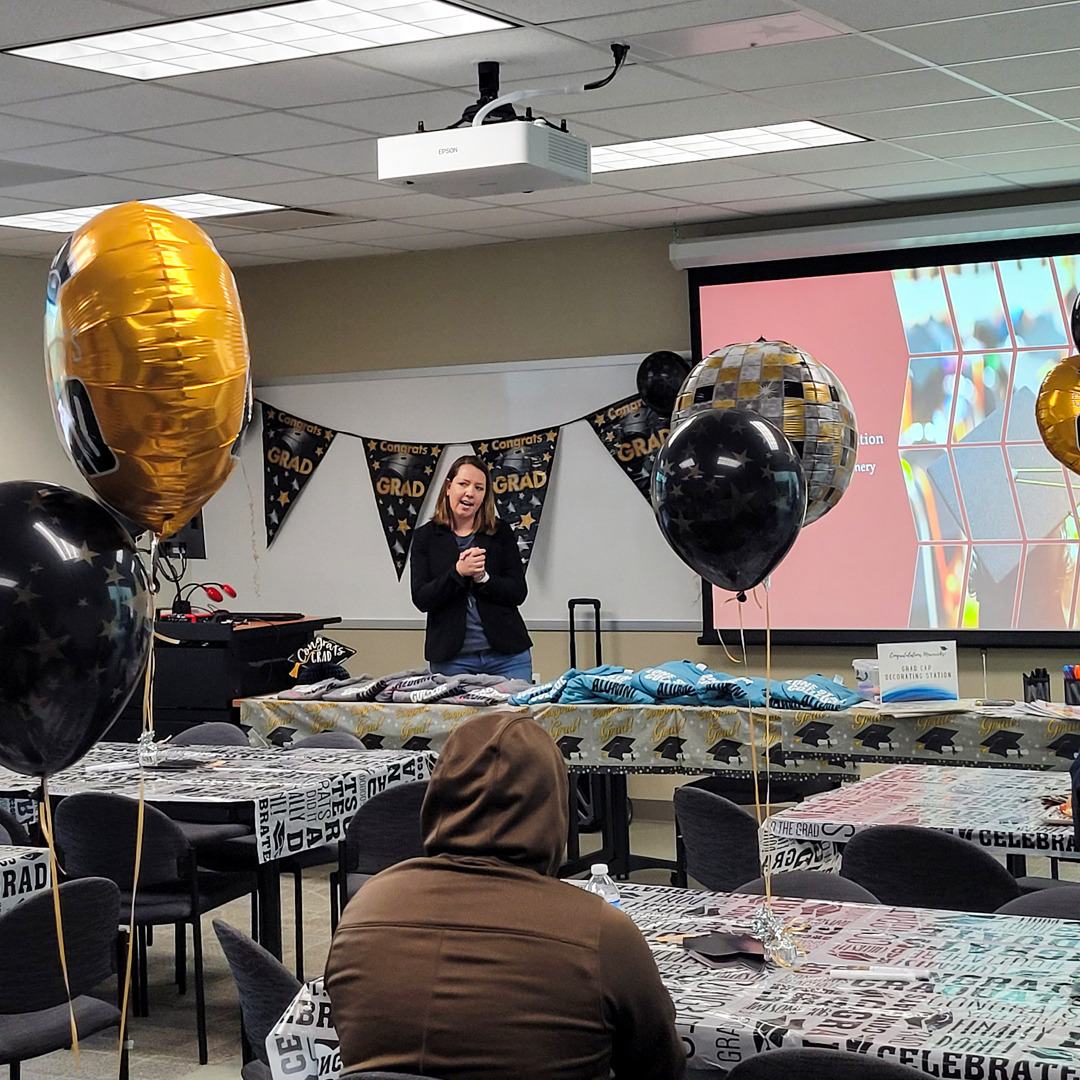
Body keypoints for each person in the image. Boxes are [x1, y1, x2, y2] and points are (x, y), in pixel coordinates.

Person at [325, 712, 686, 1080]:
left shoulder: (365, 908)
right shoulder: (601, 933)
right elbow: (661, 1067)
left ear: (438, 794)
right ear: (554, 808)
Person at [410, 455, 532, 681]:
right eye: (463, 484)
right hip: (452, 660)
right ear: (448, 487)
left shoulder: (499, 531)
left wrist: (483, 578)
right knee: (457, 719)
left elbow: (518, 592)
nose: (470, 493)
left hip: (508, 657)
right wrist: (457, 573)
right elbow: (422, 598)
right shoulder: (425, 537)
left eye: (479, 488)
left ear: (485, 495)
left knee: (512, 717)